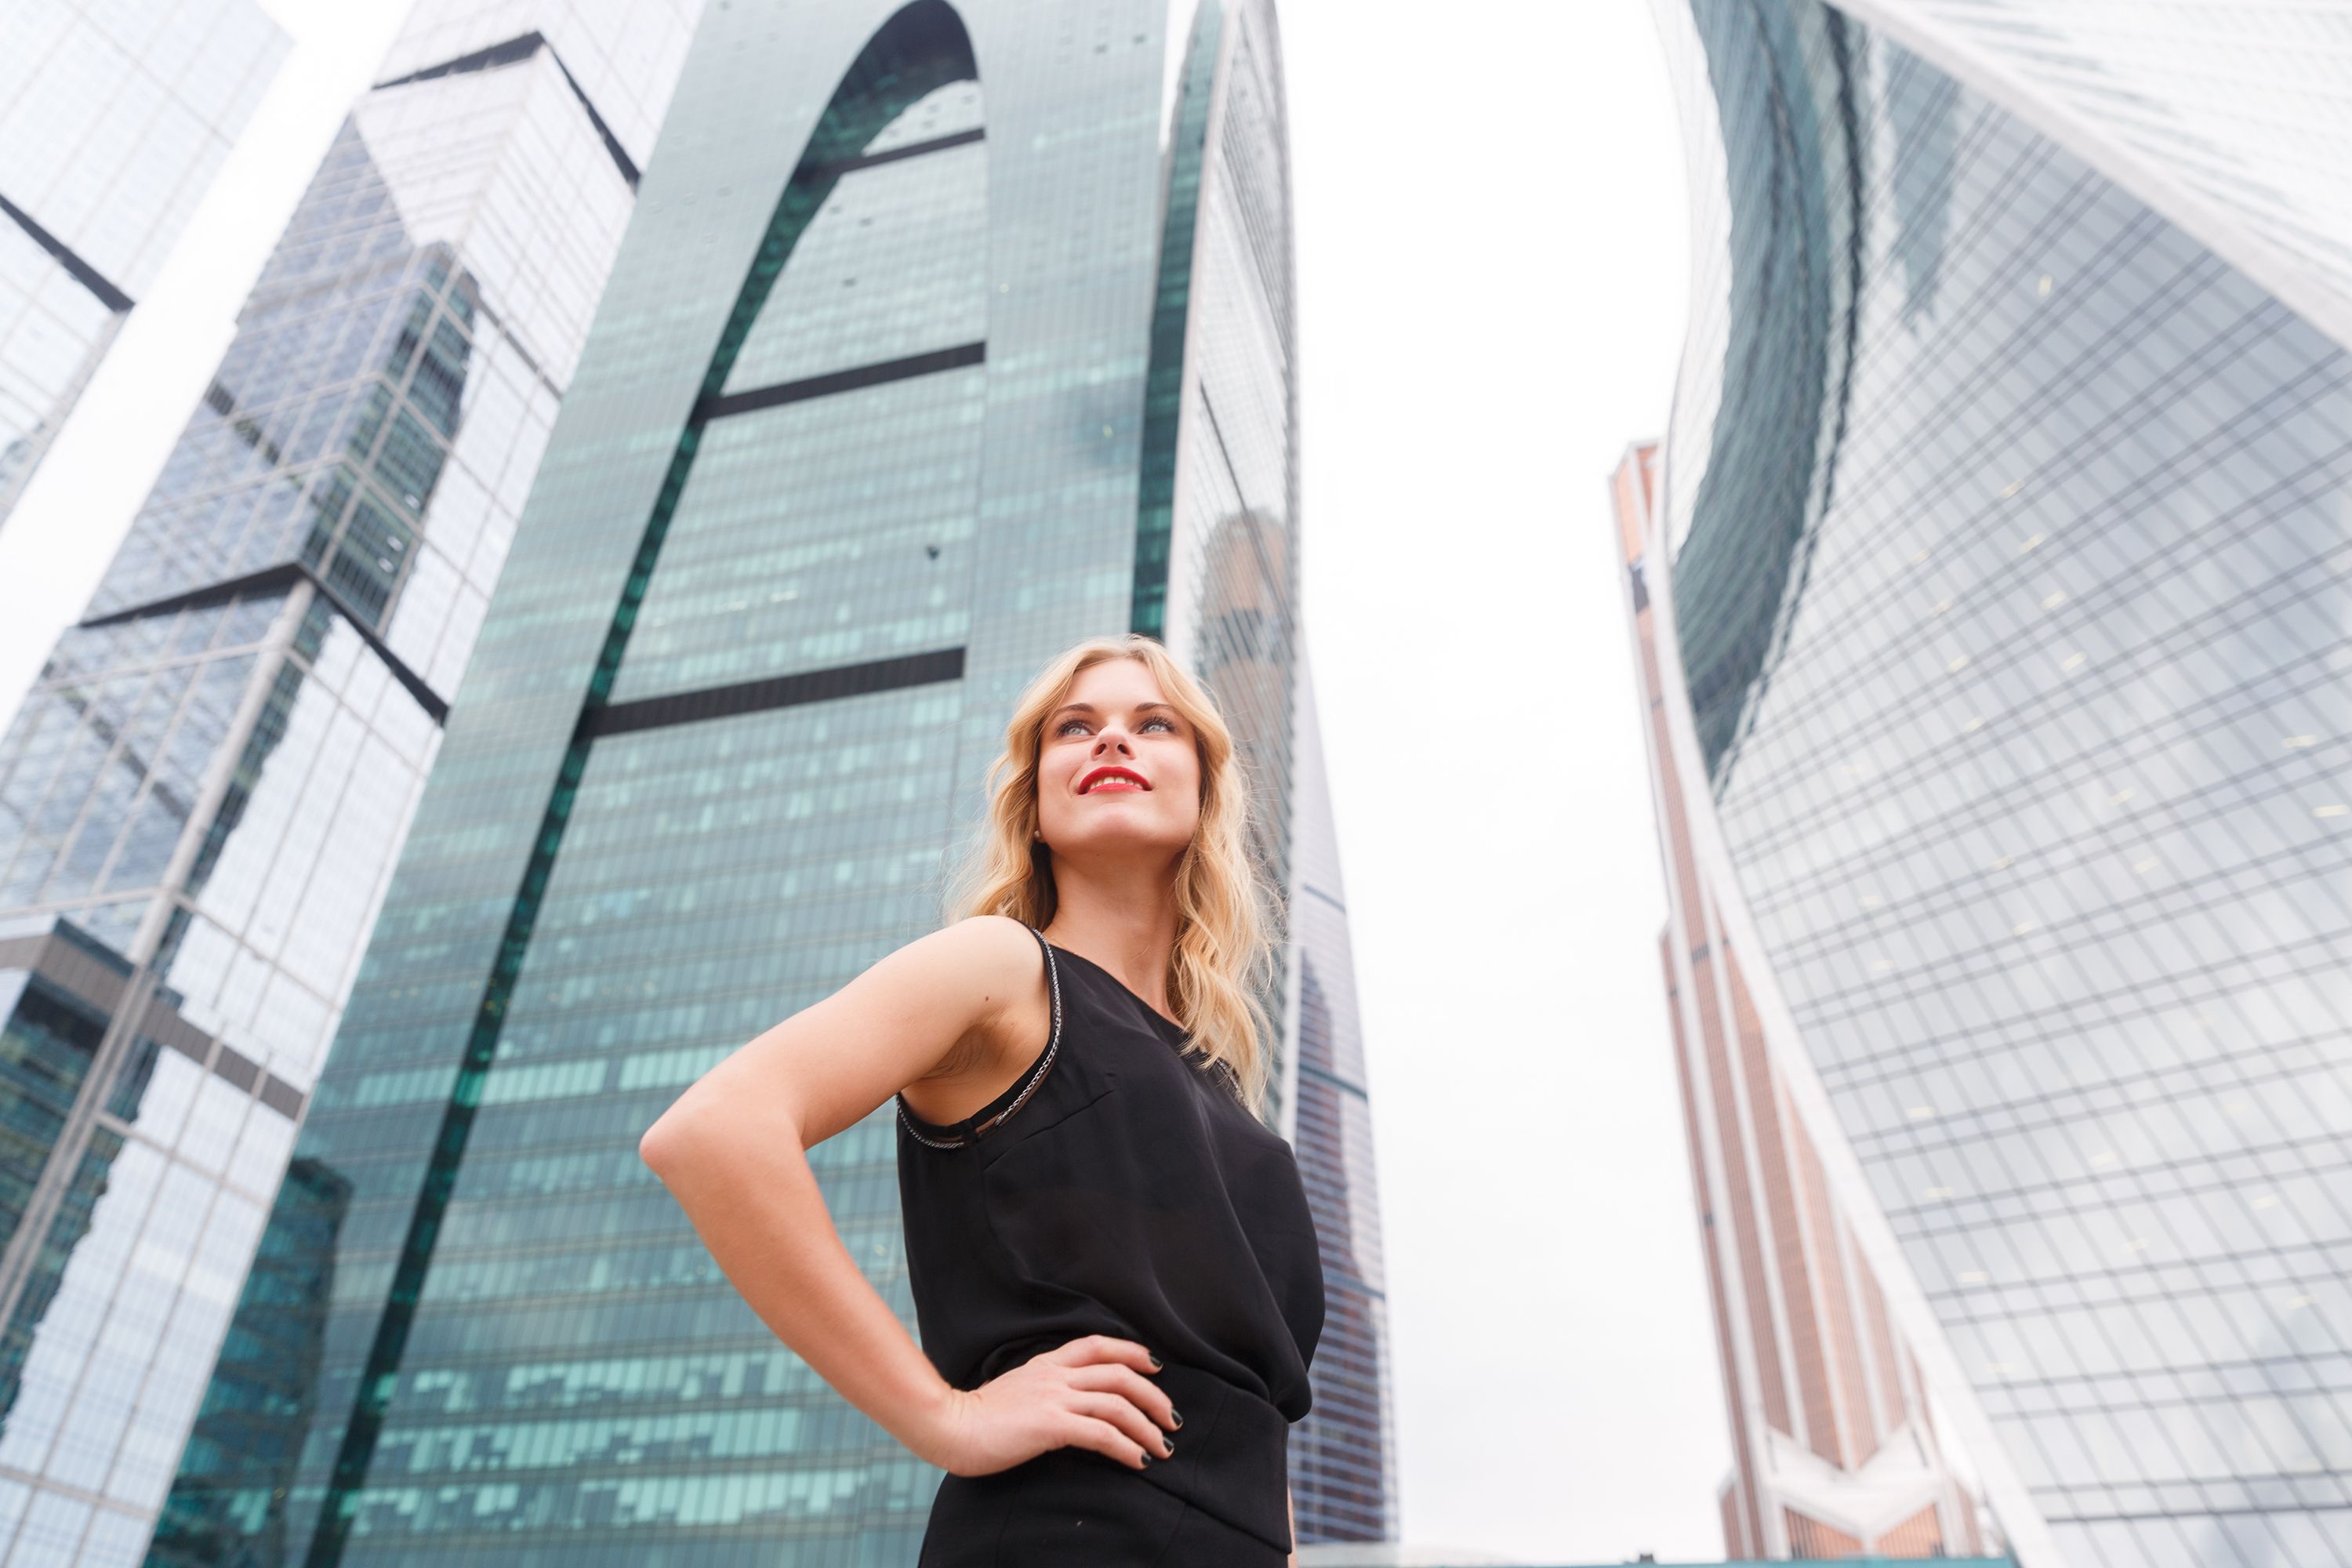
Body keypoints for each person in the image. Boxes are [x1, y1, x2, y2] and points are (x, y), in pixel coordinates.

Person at [639, 633, 1326, 1566]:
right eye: (1073, 728)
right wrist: (946, 1418)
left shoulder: (1225, 1093)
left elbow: (1258, 1400)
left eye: (1152, 723)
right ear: (1036, 803)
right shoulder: (1003, 965)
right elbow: (714, 1130)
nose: (1110, 741)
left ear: (1205, 790)